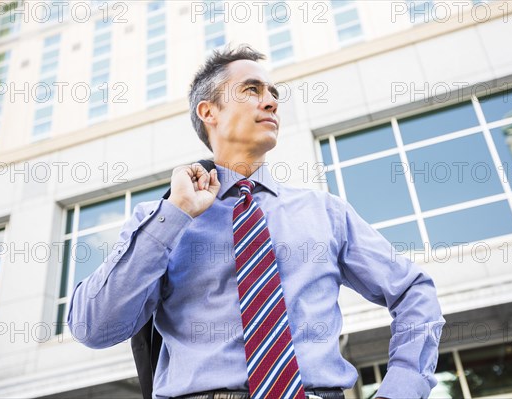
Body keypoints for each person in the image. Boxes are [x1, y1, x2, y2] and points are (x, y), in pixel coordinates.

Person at [68, 44, 445, 399]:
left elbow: (414, 291)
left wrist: (403, 388)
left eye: (273, 93)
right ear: (208, 112)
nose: (270, 101)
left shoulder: (325, 212)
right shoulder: (162, 220)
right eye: (251, 89)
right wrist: (174, 215)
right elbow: (94, 327)